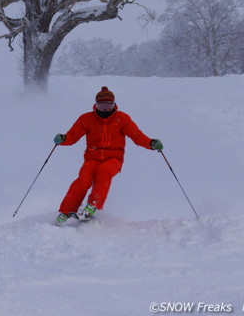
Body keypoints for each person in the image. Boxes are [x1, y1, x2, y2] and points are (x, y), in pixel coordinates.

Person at [52, 86, 164, 225]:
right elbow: (72, 136)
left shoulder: (122, 118)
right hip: (92, 158)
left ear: (114, 105)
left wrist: (151, 143)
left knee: (103, 171)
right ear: (95, 105)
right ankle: (66, 211)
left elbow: (137, 136)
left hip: (114, 159)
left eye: (108, 105)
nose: (105, 109)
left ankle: (92, 206)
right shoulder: (86, 119)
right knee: (83, 179)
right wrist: (63, 139)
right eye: (101, 105)